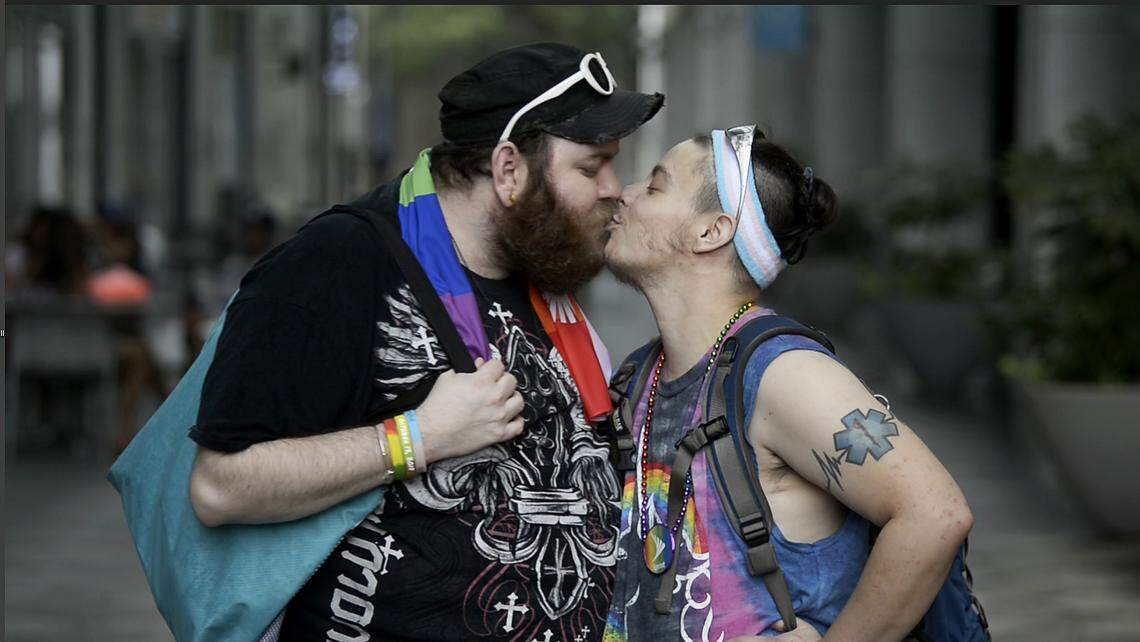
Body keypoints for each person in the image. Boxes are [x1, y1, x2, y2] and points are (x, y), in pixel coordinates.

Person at [187, 43, 663, 642]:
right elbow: (220, 486)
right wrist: (420, 437)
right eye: (591, 167)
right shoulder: (339, 262)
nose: (613, 188)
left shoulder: (538, 267)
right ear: (509, 168)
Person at [600, 127, 988, 641]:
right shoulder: (639, 373)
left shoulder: (782, 373)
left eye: (654, 187)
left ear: (711, 231)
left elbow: (935, 513)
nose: (622, 193)